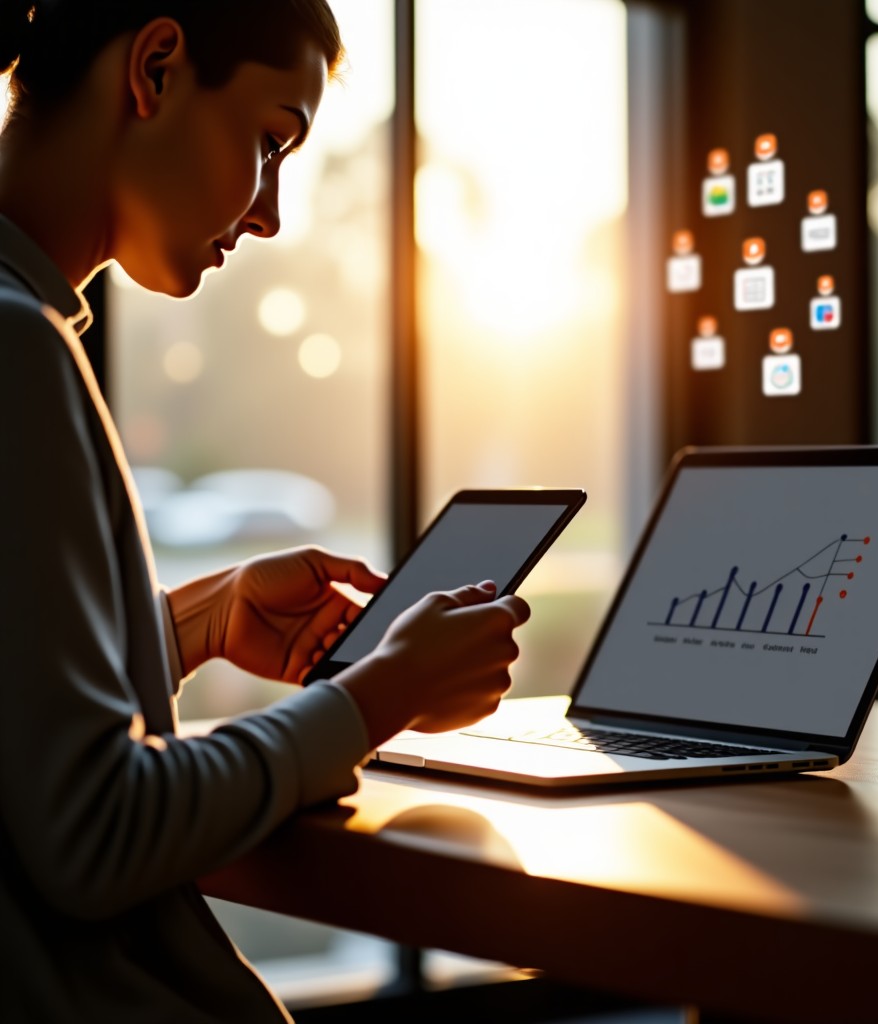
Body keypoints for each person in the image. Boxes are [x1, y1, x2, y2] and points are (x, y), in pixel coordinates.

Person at [0, 2, 530, 1020]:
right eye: (270, 141)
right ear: (154, 68)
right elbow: (94, 834)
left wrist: (201, 618)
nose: (271, 212)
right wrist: (376, 697)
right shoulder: (14, 351)